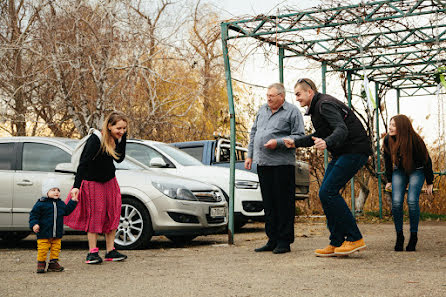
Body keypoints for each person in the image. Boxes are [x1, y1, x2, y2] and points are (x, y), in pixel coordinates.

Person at [284, 78, 372, 257]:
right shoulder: (318, 108)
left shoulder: (324, 105)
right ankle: (337, 241)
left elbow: (341, 129)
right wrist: (296, 142)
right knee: (325, 193)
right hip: (344, 152)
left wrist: (327, 142)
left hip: (355, 150)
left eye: (299, 94)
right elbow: (319, 135)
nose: (297, 98)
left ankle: (354, 238)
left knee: (328, 192)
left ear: (310, 92)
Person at [245, 83, 305, 254]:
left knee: (283, 203)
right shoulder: (262, 110)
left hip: (282, 164)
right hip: (263, 163)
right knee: (269, 203)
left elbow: (299, 136)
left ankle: (284, 241)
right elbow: (254, 133)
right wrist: (250, 155)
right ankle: (272, 239)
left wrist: (278, 142)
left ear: (282, 96)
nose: (268, 98)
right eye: (267, 95)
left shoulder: (292, 111)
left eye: (272, 96)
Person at [65, 111, 128, 264]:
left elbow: (119, 159)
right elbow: (83, 163)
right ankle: (92, 252)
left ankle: (110, 250)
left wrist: (123, 138)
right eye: (119, 128)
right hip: (92, 182)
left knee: (112, 214)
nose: (121, 131)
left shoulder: (117, 139)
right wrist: (76, 186)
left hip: (110, 182)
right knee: (94, 216)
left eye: (124, 129)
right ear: (109, 126)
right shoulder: (95, 140)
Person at [383, 114, 433, 252]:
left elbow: (426, 160)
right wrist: (388, 180)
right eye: (390, 124)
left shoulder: (415, 140)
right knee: (397, 201)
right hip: (399, 171)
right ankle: (400, 236)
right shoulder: (388, 140)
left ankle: (413, 236)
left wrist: (430, 182)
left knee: (412, 201)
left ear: (402, 127)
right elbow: (387, 161)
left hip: (417, 170)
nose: (390, 127)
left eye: (393, 125)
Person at [29, 178, 78, 273]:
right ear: (46, 192)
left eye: (58, 190)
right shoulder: (41, 204)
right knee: (43, 249)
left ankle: (53, 263)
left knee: (56, 249)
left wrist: (73, 201)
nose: (56, 192)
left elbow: (67, 211)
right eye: (53, 190)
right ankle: (41, 263)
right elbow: (34, 215)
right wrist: (34, 224)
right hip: (43, 232)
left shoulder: (60, 203)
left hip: (57, 232)